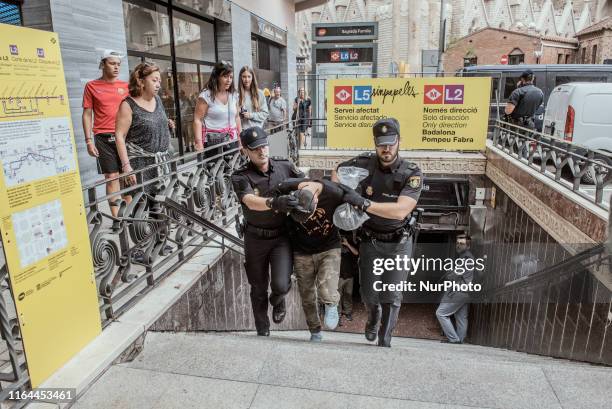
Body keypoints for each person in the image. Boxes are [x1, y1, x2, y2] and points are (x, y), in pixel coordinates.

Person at [332, 118, 422, 348]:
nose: (386, 149)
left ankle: (385, 341)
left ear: (399, 141)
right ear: (375, 143)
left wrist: (363, 204)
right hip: (370, 240)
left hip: (399, 242)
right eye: (382, 144)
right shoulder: (364, 164)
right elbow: (336, 173)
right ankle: (373, 318)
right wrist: (346, 192)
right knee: (370, 294)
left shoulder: (412, 172)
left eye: (391, 143)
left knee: (392, 296)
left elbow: (401, 210)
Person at [231, 126, 304, 336]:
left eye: (264, 145)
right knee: (258, 288)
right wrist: (275, 202)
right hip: (255, 238)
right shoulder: (240, 176)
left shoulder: (285, 166)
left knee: (281, 284)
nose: (262, 151)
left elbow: (305, 183)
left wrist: (306, 195)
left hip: (281, 236)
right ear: (245, 151)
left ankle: (278, 299)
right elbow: (250, 201)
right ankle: (262, 330)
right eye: (255, 149)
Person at [275, 178, 346, 342]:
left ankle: (331, 304)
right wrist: (279, 201)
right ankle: (314, 330)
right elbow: (272, 193)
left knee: (326, 289)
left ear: (315, 200)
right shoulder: (288, 186)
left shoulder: (333, 193)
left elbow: (350, 194)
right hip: (301, 250)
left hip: (329, 247)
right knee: (306, 294)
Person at [115, 62, 174, 195]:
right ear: (141, 82)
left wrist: (166, 123)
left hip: (161, 162)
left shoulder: (157, 99)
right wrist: (126, 167)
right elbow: (119, 136)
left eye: (159, 80)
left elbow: (153, 121)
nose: (158, 84)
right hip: (140, 166)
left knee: (162, 209)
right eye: (154, 80)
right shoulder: (128, 105)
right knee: (143, 210)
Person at [82, 50, 128, 217]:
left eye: (118, 64)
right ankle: (117, 217)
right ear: (102, 64)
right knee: (111, 176)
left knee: (126, 174)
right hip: (103, 136)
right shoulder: (92, 86)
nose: (116, 67)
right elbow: (87, 114)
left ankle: (130, 213)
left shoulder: (125, 87)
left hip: (124, 136)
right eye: (112, 63)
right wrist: (88, 141)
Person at [193, 61, 241, 157]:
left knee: (233, 171)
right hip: (212, 144)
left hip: (232, 141)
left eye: (231, 77)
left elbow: (237, 118)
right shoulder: (206, 95)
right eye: (225, 76)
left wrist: (240, 139)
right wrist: (199, 143)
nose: (229, 80)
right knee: (215, 171)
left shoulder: (234, 95)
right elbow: (197, 120)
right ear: (217, 77)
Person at [436, 233, 475, 344]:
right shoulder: (466, 257)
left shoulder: (466, 258)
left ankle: (454, 339)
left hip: (458, 291)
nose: (458, 246)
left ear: (468, 246)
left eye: (462, 244)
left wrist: (449, 273)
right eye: (457, 243)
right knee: (461, 317)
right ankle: (460, 340)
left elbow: (454, 275)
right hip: (465, 292)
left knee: (441, 313)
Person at [338, 234, 359, 323]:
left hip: (349, 276)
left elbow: (356, 253)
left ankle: (347, 312)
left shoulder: (349, 245)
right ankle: (337, 314)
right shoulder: (335, 247)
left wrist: (347, 244)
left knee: (348, 295)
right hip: (338, 276)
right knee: (337, 296)